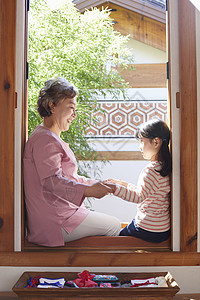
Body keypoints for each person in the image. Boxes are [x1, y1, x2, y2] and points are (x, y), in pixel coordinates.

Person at [23, 77, 121, 247]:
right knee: (113, 226)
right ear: (52, 105)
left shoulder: (48, 137)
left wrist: (97, 184)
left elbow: (68, 177)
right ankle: (94, 274)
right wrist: (88, 191)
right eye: (71, 108)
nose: (74, 115)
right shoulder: (45, 140)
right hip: (53, 221)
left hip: (58, 214)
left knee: (110, 225)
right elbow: (52, 182)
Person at [106, 119, 171, 243]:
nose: (139, 146)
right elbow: (147, 192)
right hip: (162, 229)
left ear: (156, 142)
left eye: (142, 141)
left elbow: (139, 197)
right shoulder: (163, 167)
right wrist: (124, 184)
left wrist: (114, 189)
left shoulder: (150, 170)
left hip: (147, 228)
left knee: (116, 240)